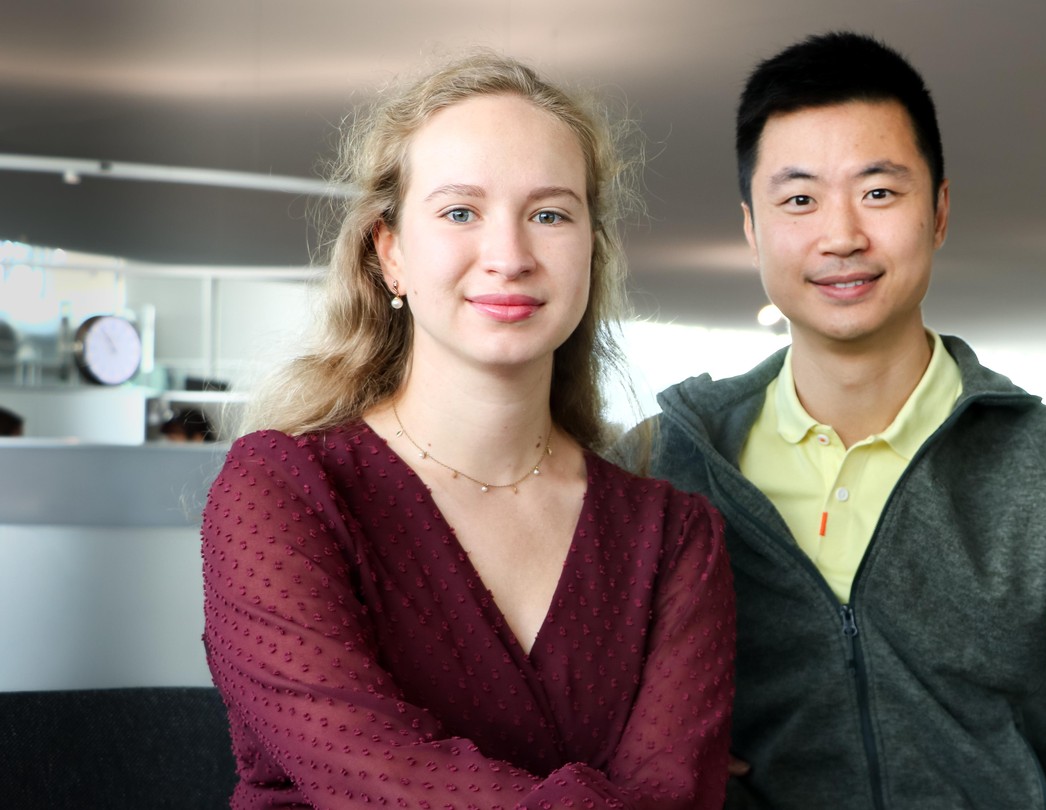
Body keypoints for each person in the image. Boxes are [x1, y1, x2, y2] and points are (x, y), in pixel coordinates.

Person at [635, 32, 1046, 808]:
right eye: (799, 199)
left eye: (879, 192)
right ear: (752, 230)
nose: (841, 236)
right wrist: (643, 743)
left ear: (939, 211)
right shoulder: (668, 460)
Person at [201, 50, 735, 809]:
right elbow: (375, 779)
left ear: (591, 250)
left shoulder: (676, 538)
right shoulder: (282, 492)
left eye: (549, 214)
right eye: (460, 212)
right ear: (390, 254)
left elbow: (678, 796)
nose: (510, 256)